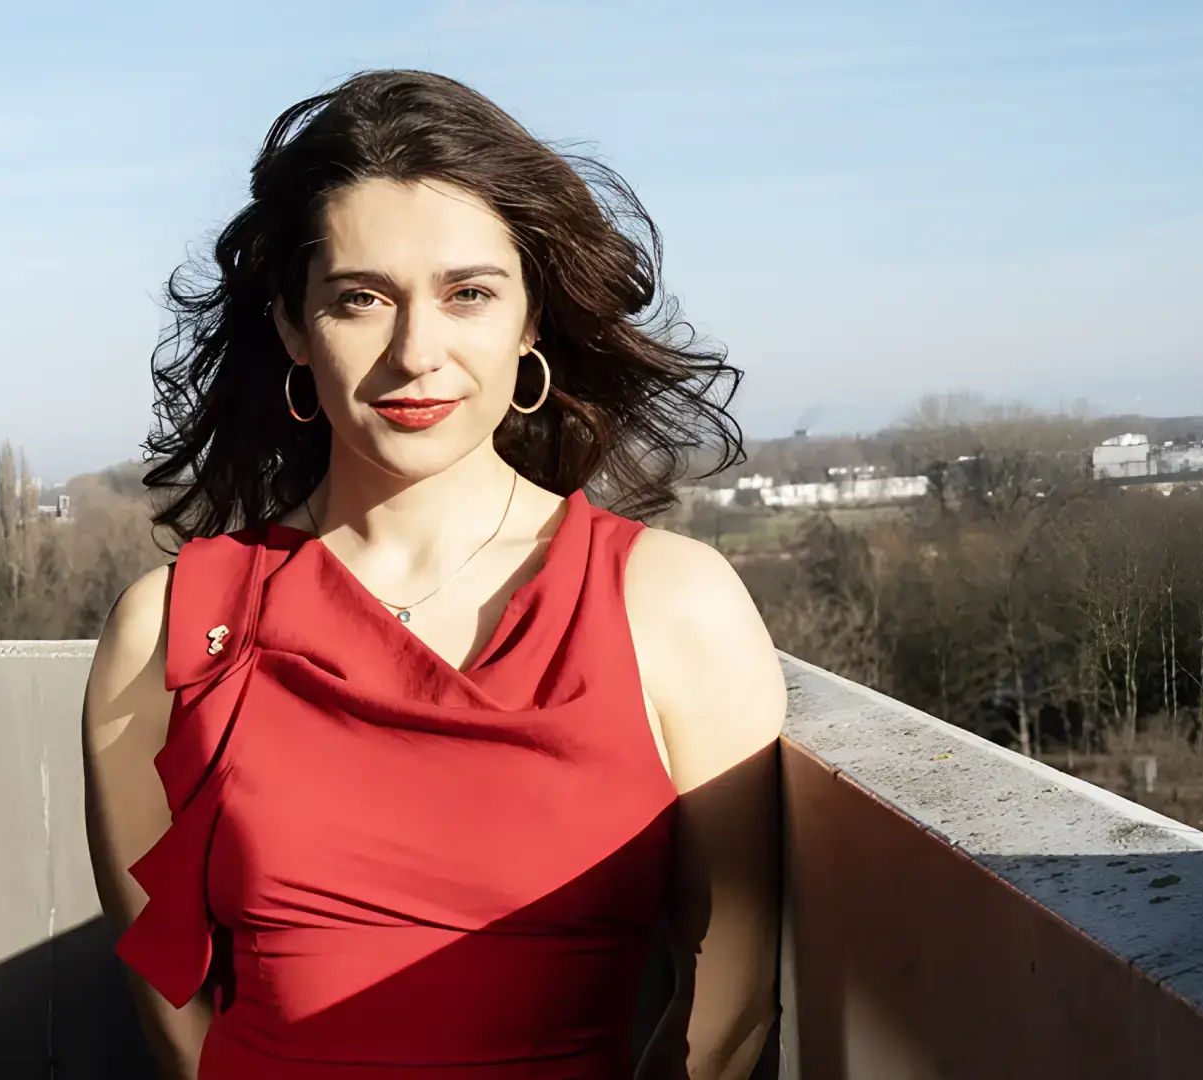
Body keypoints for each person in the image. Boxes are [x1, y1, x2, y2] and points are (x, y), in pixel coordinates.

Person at [83, 69, 785, 1080]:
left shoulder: (672, 606)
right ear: (292, 326)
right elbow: (169, 996)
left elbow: (731, 994)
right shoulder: (169, 629)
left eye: (469, 295)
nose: (417, 352)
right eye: (360, 300)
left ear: (531, 319)